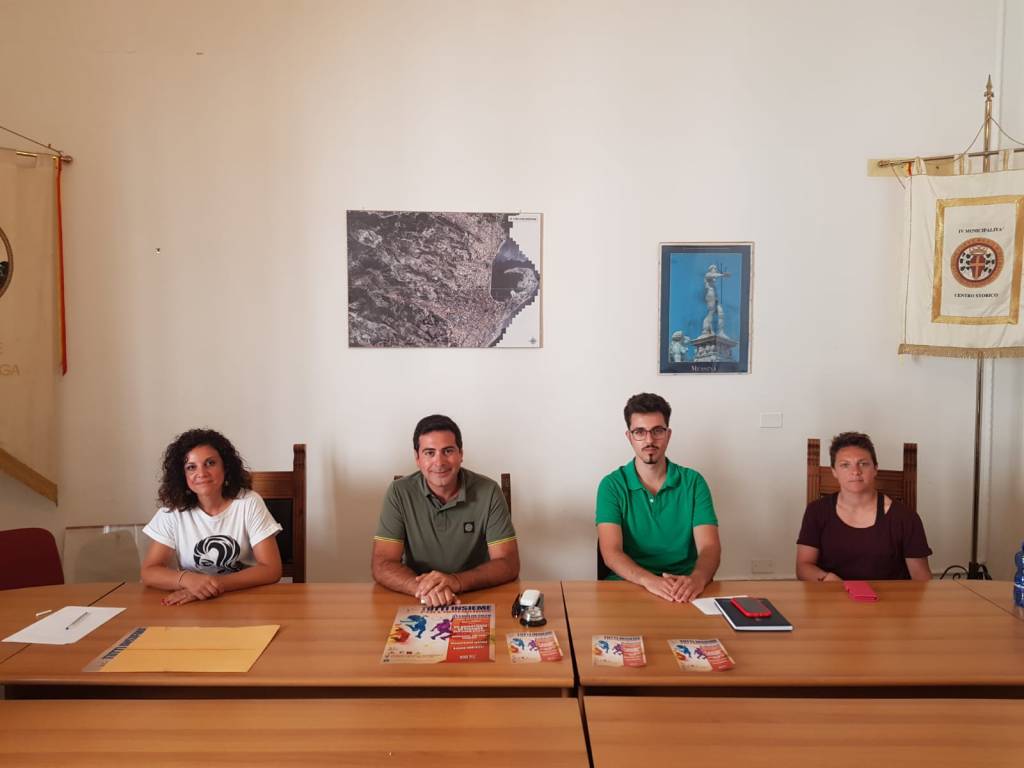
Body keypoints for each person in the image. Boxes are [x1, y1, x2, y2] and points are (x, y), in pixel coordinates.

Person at [372, 414, 519, 607]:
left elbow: (508, 563)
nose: (439, 462)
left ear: (461, 454)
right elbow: (382, 563)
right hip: (418, 599)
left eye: (448, 451)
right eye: (429, 453)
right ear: (417, 458)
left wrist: (456, 581)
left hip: (477, 596)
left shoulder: (489, 491)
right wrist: (424, 590)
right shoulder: (399, 492)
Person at [596, 393, 721, 602]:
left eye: (657, 431)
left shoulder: (693, 482)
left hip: (684, 588)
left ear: (668, 434)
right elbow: (611, 552)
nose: (649, 440)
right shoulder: (612, 485)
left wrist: (697, 579)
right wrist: (650, 581)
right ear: (629, 436)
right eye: (639, 432)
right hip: (628, 586)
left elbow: (710, 547)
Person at [141, 428, 283, 605]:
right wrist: (188, 581)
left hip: (246, 599)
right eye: (191, 467)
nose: (201, 473)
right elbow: (149, 572)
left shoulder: (249, 502)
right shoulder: (172, 511)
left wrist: (211, 586)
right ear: (182, 475)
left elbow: (271, 569)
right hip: (194, 603)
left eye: (210, 463)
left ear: (225, 467)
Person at [796, 431, 932, 581]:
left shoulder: (905, 518)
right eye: (845, 465)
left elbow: (922, 580)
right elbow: (803, 567)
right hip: (833, 594)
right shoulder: (816, 511)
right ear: (834, 471)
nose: (855, 472)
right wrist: (827, 579)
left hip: (889, 596)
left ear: (875, 469)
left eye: (863, 464)